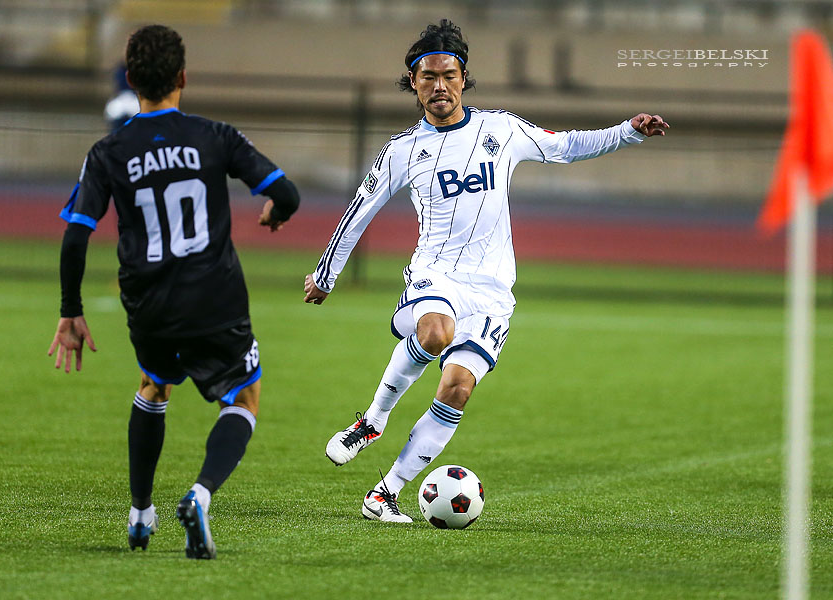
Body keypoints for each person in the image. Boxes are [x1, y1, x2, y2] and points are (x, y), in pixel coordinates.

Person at [303, 19, 668, 522]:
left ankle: (385, 493)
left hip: (492, 292)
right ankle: (373, 420)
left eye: (448, 76)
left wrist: (628, 132)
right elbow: (358, 212)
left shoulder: (501, 129)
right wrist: (325, 276)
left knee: (456, 389)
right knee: (435, 332)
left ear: (463, 78)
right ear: (413, 82)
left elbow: (566, 146)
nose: (439, 86)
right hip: (435, 275)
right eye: (428, 77)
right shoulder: (402, 151)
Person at [48, 24, 299, 558]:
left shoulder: (108, 151)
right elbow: (287, 193)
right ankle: (200, 496)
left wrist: (71, 310)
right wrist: (276, 212)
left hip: (149, 305)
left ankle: (141, 512)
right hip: (216, 299)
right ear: (183, 76)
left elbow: (75, 235)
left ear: (131, 79)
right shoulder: (215, 136)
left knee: (153, 385)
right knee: (243, 396)